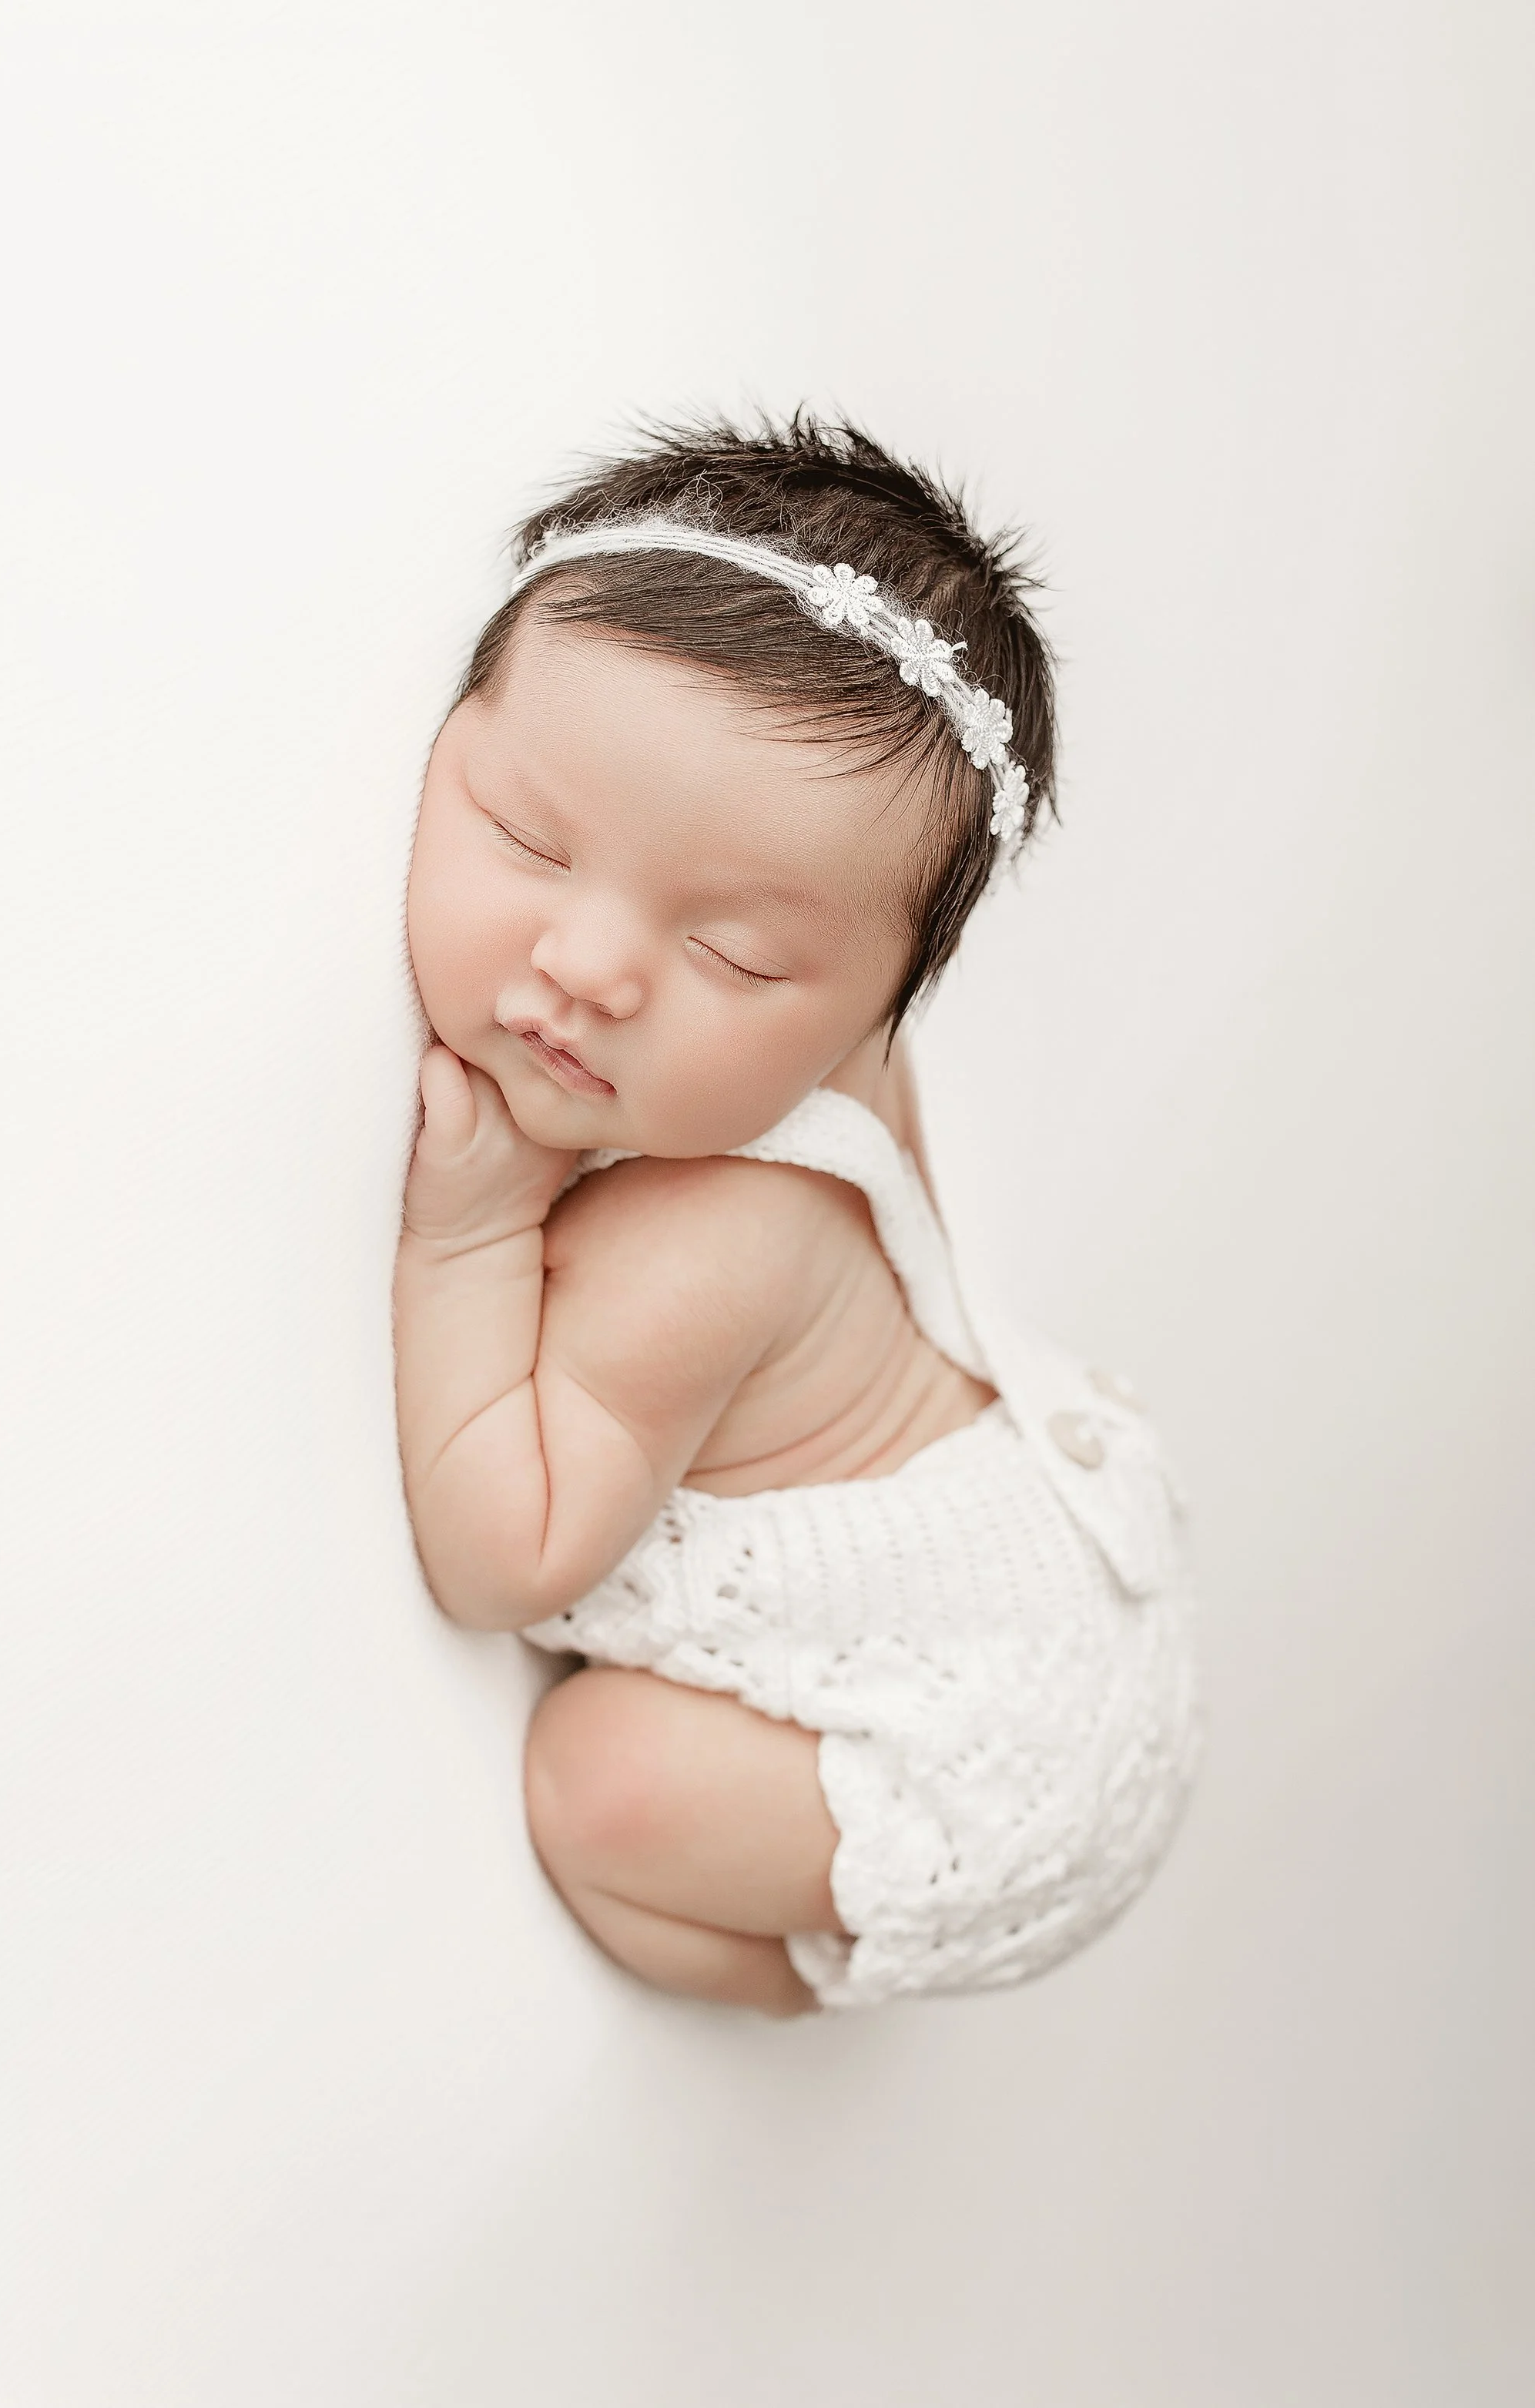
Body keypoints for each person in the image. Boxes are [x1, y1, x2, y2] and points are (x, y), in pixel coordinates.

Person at [394, 414, 1200, 2017]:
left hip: (991, 1754)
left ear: (861, 1019)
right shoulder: (832, 1021)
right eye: (529, 840)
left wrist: (466, 1237)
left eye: (735, 958)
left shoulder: (701, 1247)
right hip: (1044, 1579)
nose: (591, 967)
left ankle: (797, 1967)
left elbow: (506, 1558)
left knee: (596, 1777)